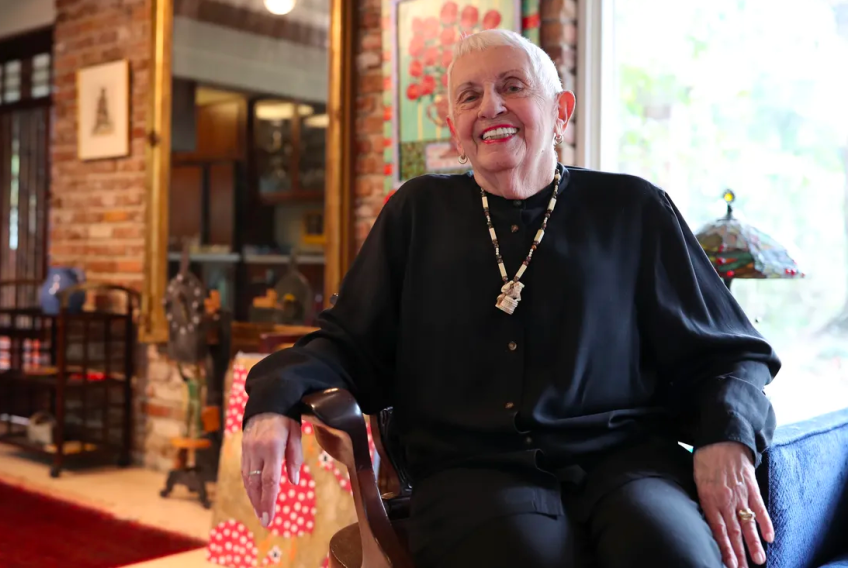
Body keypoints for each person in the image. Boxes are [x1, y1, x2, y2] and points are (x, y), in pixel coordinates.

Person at [240, 28, 779, 568]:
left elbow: (730, 352)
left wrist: (725, 436)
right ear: (454, 128)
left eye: (512, 86)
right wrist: (274, 397)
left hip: (629, 464)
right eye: (469, 96)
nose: (490, 106)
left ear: (560, 111)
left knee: (673, 551)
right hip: (474, 471)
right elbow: (350, 342)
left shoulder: (632, 208)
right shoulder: (417, 212)